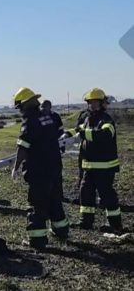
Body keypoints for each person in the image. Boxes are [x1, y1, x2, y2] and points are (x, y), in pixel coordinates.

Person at [11, 87, 69, 249]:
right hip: (54, 167)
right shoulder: (47, 117)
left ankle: (37, 240)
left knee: (37, 204)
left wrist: (15, 168)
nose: (20, 110)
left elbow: (23, 148)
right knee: (55, 199)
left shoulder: (29, 121)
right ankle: (61, 230)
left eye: (20, 107)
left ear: (25, 105)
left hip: (39, 170)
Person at [67, 88, 122, 233]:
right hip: (89, 166)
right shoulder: (86, 118)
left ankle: (115, 225)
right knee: (85, 193)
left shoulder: (106, 119)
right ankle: (86, 222)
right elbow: (78, 129)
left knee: (107, 196)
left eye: (96, 102)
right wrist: (66, 134)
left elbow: (104, 135)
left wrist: (84, 133)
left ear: (103, 103)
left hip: (105, 167)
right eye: (90, 102)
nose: (92, 105)